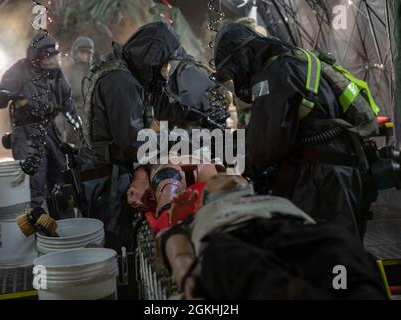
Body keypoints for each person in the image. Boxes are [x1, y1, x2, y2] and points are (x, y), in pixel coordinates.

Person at [213, 23, 378, 238]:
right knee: (337, 251)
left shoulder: (274, 75)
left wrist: (233, 166)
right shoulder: (292, 62)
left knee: (326, 255)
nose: (235, 82)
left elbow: (263, 147)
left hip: (324, 181)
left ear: (241, 58)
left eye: (231, 73)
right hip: (340, 172)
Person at [156, 174, 386, 300]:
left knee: (338, 247)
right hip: (234, 236)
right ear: (206, 197)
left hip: (294, 230)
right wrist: (179, 218)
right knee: (230, 260)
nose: (225, 175)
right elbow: (169, 239)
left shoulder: (273, 198)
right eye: (217, 178)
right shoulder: (197, 215)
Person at [83, 21, 186, 250]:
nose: (163, 70)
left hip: (104, 171)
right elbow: (133, 142)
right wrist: (174, 141)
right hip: (108, 179)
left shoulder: (118, 70)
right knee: (116, 245)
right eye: (162, 63)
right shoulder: (122, 82)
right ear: (151, 58)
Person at [0, 32, 81, 216]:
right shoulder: (19, 70)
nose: (52, 61)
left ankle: (63, 230)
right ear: (37, 56)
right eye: (48, 57)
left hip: (50, 130)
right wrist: (7, 93)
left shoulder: (55, 73)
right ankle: (38, 233)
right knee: (35, 186)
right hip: (27, 135)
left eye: (53, 56)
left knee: (61, 181)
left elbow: (66, 101)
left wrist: (78, 125)